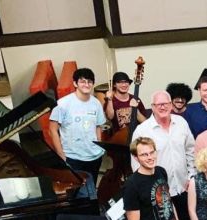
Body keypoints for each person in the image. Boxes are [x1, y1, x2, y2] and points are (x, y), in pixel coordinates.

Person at [131, 91, 196, 220]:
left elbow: (191, 150)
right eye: (158, 104)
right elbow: (136, 162)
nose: (162, 107)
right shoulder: (143, 130)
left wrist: (192, 175)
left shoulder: (181, 123)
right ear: (152, 107)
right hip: (158, 193)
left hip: (183, 188)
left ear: (171, 105)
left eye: (165, 104)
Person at [48, 67, 105, 195]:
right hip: (73, 156)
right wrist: (61, 155)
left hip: (94, 155)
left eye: (90, 82)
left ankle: (92, 213)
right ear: (75, 83)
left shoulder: (96, 103)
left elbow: (98, 126)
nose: (87, 84)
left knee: (91, 190)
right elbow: (52, 130)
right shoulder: (63, 104)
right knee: (78, 193)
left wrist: (100, 147)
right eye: (83, 81)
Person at [103, 71, 145, 137]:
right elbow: (110, 117)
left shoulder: (136, 99)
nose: (124, 85)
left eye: (126, 82)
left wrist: (136, 110)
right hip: (119, 139)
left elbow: (145, 122)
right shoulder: (110, 100)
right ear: (114, 85)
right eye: (120, 82)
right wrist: (109, 99)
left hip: (136, 137)